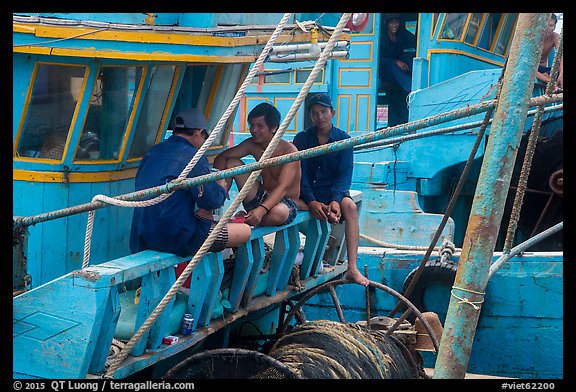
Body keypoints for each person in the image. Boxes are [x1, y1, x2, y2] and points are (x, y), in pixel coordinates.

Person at [129, 107, 251, 261]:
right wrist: (221, 186)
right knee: (245, 231)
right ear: (198, 132)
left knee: (201, 215)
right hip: (176, 239)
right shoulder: (193, 157)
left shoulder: (152, 152)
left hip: (141, 237)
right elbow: (212, 201)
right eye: (205, 136)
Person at [293, 93, 369, 286]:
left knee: (350, 207)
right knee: (289, 206)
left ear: (332, 112)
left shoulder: (344, 140)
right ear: (311, 116)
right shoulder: (301, 139)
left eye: (324, 112)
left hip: (332, 193)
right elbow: (298, 174)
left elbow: (345, 175)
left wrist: (335, 200)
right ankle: (294, 255)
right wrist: (311, 201)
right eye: (315, 113)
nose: (320, 117)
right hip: (307, 194)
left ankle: (352, 268)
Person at [213, 102, 300, 227]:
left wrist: (262, 210)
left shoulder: (289, 151)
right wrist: (221, 186)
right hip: (260, 196)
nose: (254, 130)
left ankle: (245, 221)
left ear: (274, 128)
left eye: (260, 126)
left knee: (278, 213)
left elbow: (283, 188)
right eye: (252, 125)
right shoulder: (252, 144)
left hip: (285, 203)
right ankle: (247, 218)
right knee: (232, 163)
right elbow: (222, 157)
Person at [378, 13, 417, 95]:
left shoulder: (401, 33)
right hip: (383, 69)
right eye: (391, 23)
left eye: (396, 22)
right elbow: (379, 59)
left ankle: (419, 85)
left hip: (398, 63)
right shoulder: (381, 37)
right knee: (394, 67)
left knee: (412, 61)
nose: (395, 25)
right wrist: (395, 62)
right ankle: (413, 91)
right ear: (387, 23)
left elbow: (415, 42)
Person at [535, 14, 563, 90]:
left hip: (543, 68)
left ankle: (547, 77)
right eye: (545, 24)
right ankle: (548, 80)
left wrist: (561, 74)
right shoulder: (532, 35)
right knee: (526, 69)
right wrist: (549, 81)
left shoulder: (555, 37)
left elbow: (561, 56)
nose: (547, 28)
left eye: (551, 25)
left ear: (554, 27)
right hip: (531, 69)